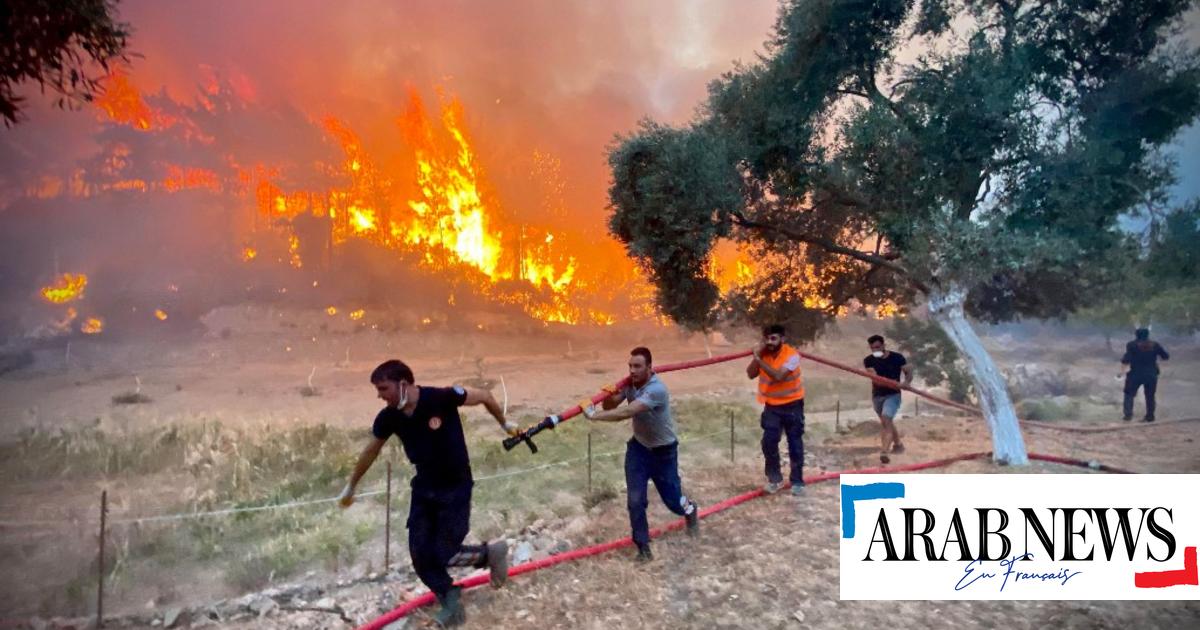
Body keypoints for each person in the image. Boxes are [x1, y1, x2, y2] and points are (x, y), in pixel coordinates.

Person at [339, 359, 518, 627]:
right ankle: (450, 599)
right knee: (420, 553)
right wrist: (351, 485)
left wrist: (504, 424)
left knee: (444, 552)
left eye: (383, 388)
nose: (379, 395)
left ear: (403, 384)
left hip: (456, 485)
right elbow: (371, 450)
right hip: (424, 487)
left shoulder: (442, 397)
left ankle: (490, 554)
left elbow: (485, 396)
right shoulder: (389, 417)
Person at [582, 346, 699, 562]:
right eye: (630, 366)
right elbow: (613, 404)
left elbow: (626, 412)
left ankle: (690, 509)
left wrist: (594, 416)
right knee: (635, 501)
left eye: (637, 366)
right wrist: (610, 394)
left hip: (664, 453)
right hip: (639, 449)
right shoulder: (631, 384)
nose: (632, 371)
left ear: (649, 368)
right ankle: (643, 547)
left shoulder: (656, 390)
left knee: (674, 502)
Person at [746, 324, 806, 496]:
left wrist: (758, 359)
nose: (770, 342)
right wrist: (757, 357)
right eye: (767, 339)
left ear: (783, 339)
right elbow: (750, 374)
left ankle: (797, 482)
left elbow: (779, 376)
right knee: (768, 442)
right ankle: (775, 479)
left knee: (795, 444)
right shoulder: (763, 355)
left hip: (793, 405)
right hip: (772, 406)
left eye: (774, 338)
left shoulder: (792, 356)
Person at [863, 335, 913, 464]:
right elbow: (876, 380)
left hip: (893, 395)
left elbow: (908, 371)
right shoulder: (869, 360)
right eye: (873, 348)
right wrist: (894, 383)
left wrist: (906, 382)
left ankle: (884, 451)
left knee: (886, 419)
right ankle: (898, 445)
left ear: (884, 345)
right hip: (877, 396)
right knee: (887, 422)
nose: (876, 350)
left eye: (878, 347)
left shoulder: (897, 358)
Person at [1121, 328, 1169, 422]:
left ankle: (1128, 415)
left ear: (1136, 335)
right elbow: (1165, 356)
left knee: (1129, 394)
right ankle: (1150, 416)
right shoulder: (1155, 345)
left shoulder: (1132, 345)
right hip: (1151, 374)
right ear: (1147, 335)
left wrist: (1122, 369)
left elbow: (1126, 359)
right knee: (1150, 395)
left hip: (1135, 374)